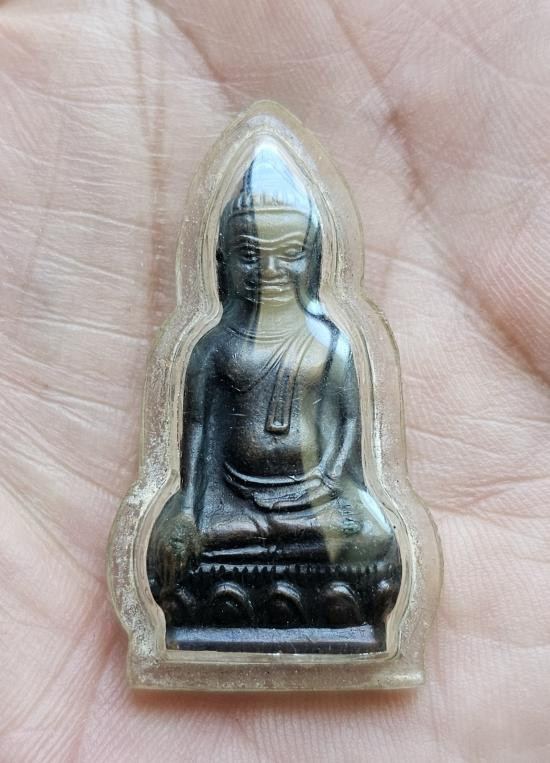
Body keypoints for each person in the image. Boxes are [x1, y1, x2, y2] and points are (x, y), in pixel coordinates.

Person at [147, 147, 401, 630]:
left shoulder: (330, 344)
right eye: (249, 255)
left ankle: (303, 594)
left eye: (289, 254)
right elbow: (197, 434)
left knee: (373, 540)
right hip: (234, 502)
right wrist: (188, 510)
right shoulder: (213, 348)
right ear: (221, 262)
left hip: (315, 500)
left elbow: (349, 424)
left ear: (314, 260)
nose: (268, 270)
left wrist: (329, 480)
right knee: (176, 552)